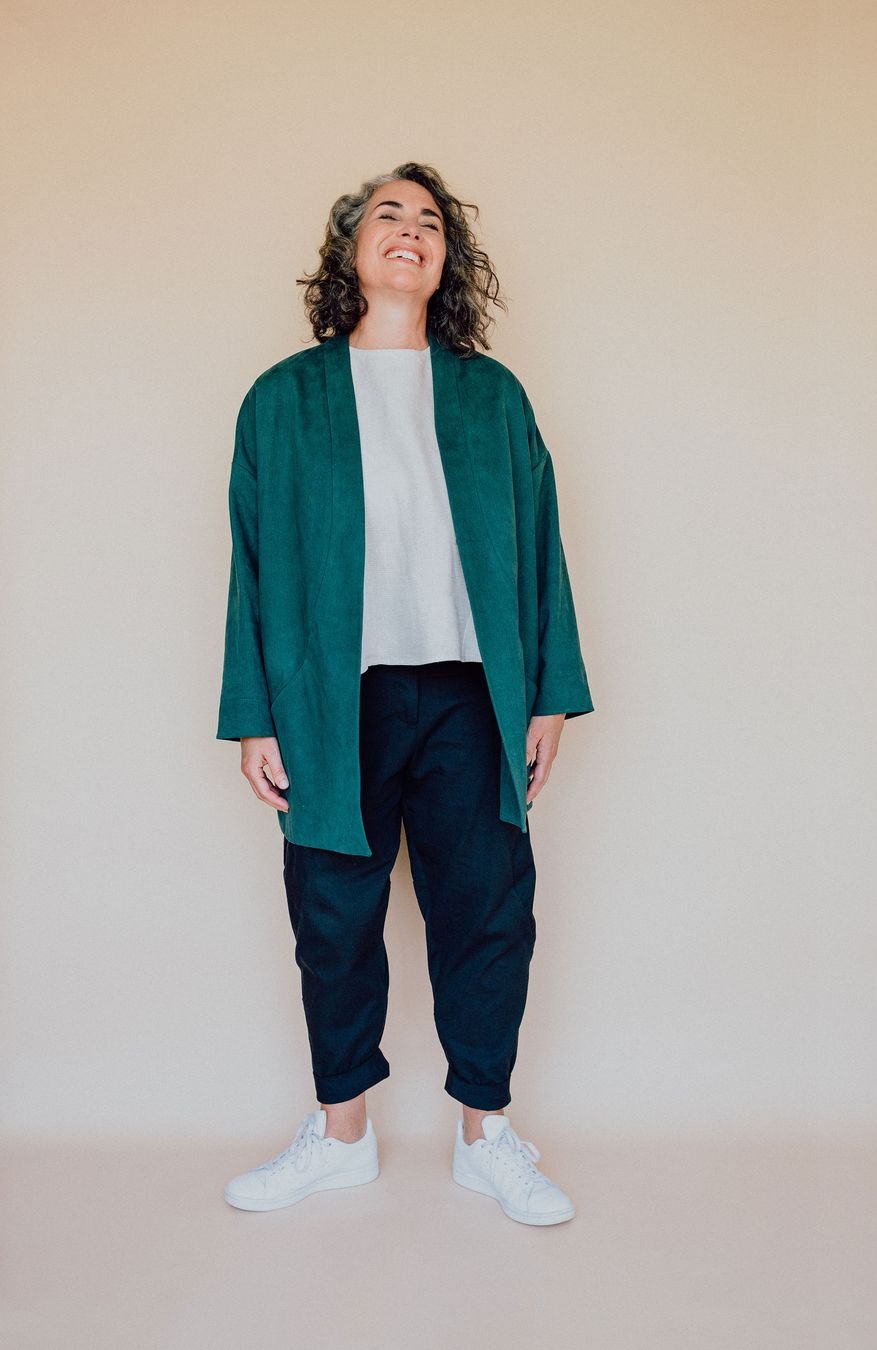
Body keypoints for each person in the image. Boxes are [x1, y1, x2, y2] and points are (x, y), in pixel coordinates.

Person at [216, 162, 594, 1225]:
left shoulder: (492, 396)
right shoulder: (284, 399)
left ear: (444, 262)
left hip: (472, 696)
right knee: (333, 915)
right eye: (389, 214)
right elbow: (249, 562)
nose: (411, 230)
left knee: (488, 912)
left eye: (430, 222)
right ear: (351, 248)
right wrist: (253, 714)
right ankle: (340, 1136)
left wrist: (548, 695)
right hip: (334, 700)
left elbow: (541, 547)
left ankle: (487, 1135)